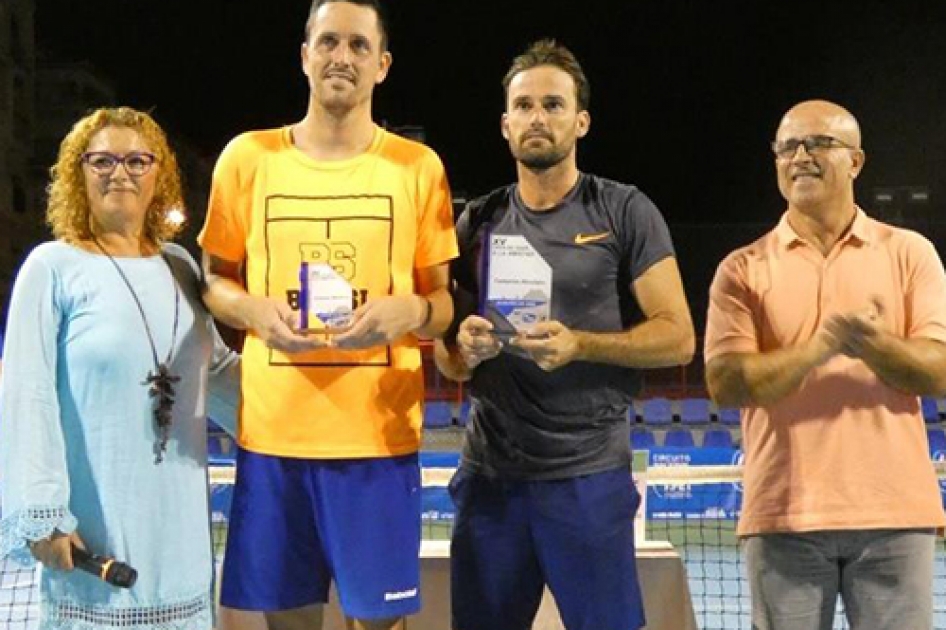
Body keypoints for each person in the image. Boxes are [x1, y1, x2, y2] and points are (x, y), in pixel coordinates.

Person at [197, 1, 457, 629]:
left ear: (383, 65)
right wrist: (252, 309)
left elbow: (443, 306)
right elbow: (213, 281)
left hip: (377, 443)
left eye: (359, 45)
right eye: (329, 41)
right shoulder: (247, 159)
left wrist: (413, 309)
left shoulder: (417, 169)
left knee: (377, 625)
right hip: (272, 442)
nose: (343, 57)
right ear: (305, 55)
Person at [434, 39, 695, 630]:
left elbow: (678, 337)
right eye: (523, 106)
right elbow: (447, 356)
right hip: (491, 481)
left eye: (553, 105)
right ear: (505, 125)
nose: (537, 118)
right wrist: (461, 347)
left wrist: (583, 344)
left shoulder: (624, 211)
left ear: (581, 121)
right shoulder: (478, 219)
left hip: (588, 481)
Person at [704, 100, 946, 630]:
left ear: (856, 161)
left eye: (818, 143)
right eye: (787, 147)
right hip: (781, 516)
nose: (801, 156)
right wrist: (823, 346)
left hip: (895, 516)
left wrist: (871, 343)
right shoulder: (740, 269)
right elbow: (726, 383)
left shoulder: (911, 253)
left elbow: (939, 371)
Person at [0, 107, 240, 630]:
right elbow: (26, 394)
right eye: (102, 160)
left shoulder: (181, 265)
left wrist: (304, 384)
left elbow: (216, 374)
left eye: (137, 160)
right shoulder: (52, 269)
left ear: (159, 175)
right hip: (95, 552)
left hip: (181, 556)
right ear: (76, 173)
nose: (120, 172)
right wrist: (44, 515)